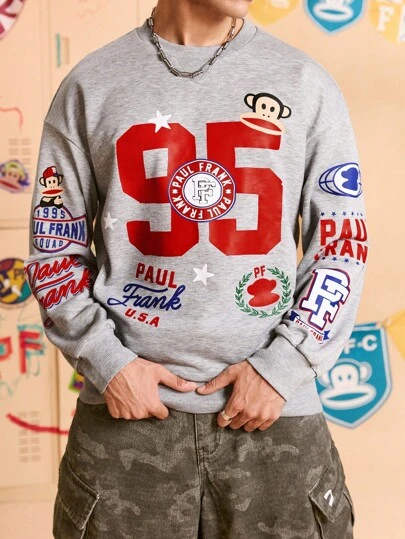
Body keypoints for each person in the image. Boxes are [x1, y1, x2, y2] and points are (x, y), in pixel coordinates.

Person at [24, 0, 367, 537]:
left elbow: (341, 245)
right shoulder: (91, 84)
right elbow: (54, 249)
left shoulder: (305, 82)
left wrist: (284, 366)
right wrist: (110, 363)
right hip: (125, 422)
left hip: (274, 421)